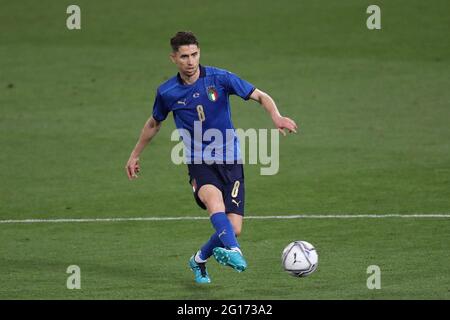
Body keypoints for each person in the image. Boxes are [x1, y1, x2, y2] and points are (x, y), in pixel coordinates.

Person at [125, 31, 297, 284]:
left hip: (231, 160)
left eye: (194, 54)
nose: (190, 61)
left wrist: (277, 117)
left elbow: (260, 95)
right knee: (214, 203)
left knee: (233, 229)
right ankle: (234, 251)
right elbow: (154, 124)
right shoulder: (167, 92)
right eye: (184, 56)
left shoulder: (220, 78)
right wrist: (134, 155)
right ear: (174, 58)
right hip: (199, 162)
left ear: (199, 53)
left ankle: (199, 259)